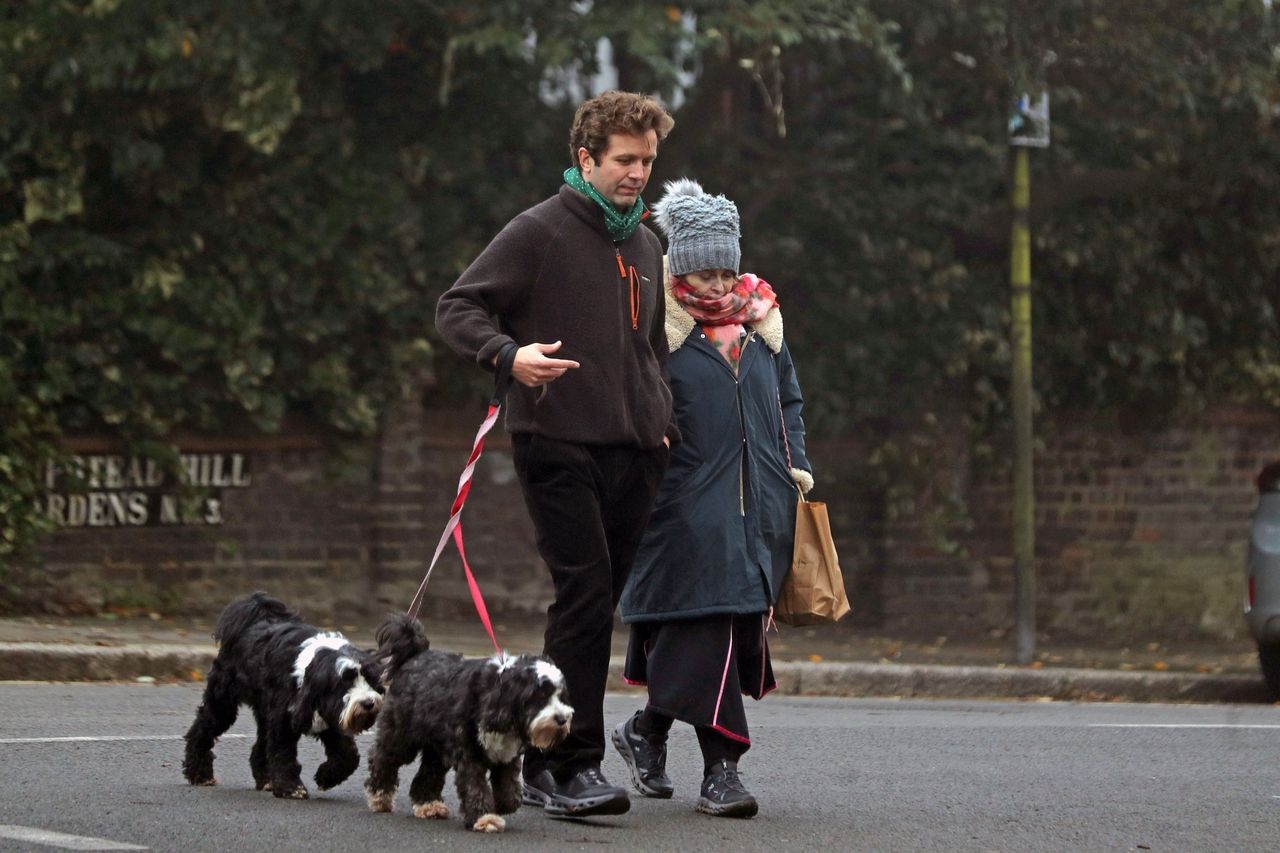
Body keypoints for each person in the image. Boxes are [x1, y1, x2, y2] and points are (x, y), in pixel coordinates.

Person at [434, 91, 678, 818]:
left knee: (598, 605)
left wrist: (663, 419)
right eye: (625, 160)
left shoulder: (646, 244)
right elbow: (458, 306)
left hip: (637, 453)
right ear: (586, 159)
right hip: (557, 441)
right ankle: (566, 764)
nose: (638, 173)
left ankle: (535, 746)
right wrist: (510, 356)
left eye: (648, 162)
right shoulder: (539, 230)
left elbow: (648, 349)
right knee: (586, 594)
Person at [611, 178, 813, 819]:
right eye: (704, 272)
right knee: (708, 630)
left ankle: (646, 731)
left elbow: (789, 404)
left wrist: (796, 470)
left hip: (762, 510)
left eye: (727, 269)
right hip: (681, 511)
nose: (720, 285)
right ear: (680, 270)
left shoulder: (764, 329)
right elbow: (633, 408)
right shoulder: (657, 331)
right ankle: (723, 771)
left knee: (725, 633)